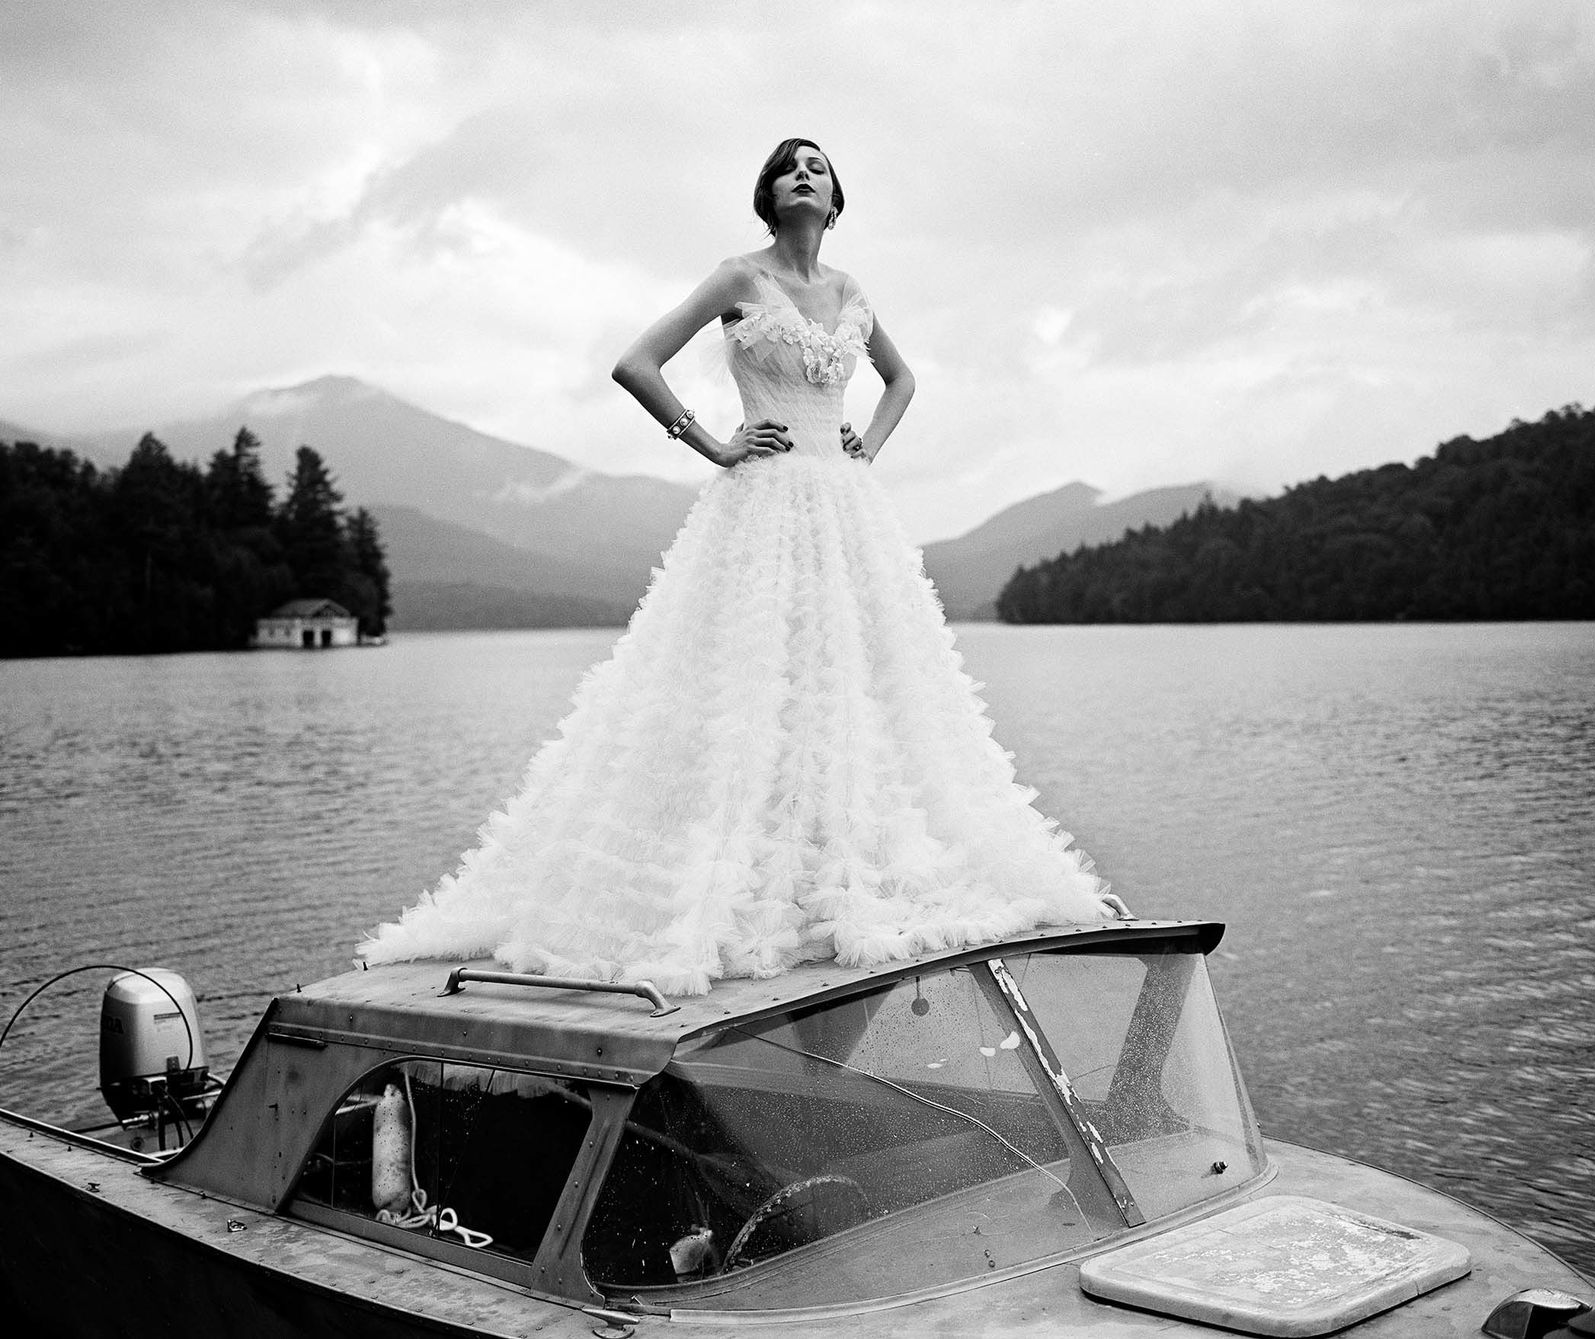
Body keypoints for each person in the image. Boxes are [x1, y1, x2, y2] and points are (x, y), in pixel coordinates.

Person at [359, 138, 1117, 994]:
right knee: (743, 695)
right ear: (769, 194)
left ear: (834, 202)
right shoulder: (738, 279)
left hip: (844, 510)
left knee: (852, 692)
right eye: (788, 166)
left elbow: (902, 380)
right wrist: (713, 443)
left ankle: (829, 881)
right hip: (758, 507)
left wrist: (866, 444)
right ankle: (721, 887)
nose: (804, 173)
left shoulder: (851, 293)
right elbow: (633, 363)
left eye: (819, 167)